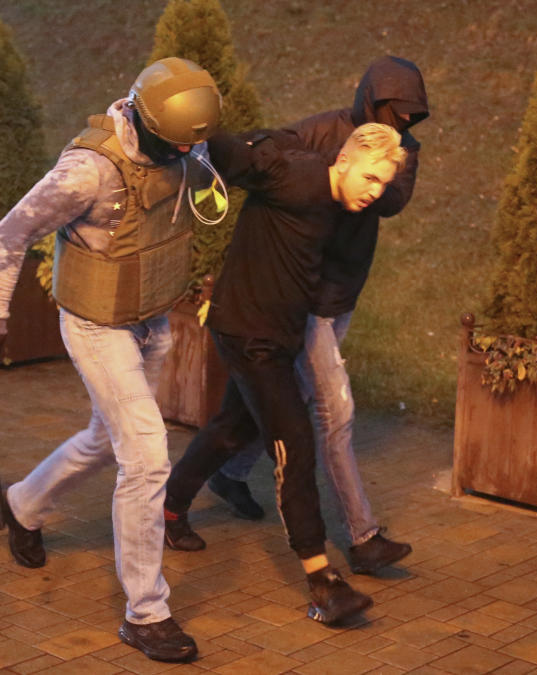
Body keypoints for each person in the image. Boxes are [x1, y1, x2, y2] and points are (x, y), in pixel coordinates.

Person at [0, 57, 224, 663]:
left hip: (152, 318)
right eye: (178, 142)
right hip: (96, 326)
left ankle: (24, 503)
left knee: (107, 441)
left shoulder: (184, 144)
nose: (187, 150)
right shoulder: (88, 172)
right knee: (148, 456)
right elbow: (8, 235)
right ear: (143, 119)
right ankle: (146, 612)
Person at [163, 123, 407, 625]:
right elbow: (239, 155)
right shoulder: (298, 178)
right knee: (293, 440)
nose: (374, 191)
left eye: (383, 183)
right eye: (370, 178)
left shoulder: (337, 200)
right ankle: (322, 580)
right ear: (343, 162)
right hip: (249, 335)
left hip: (277, 335)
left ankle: (169, 507)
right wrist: (195, 125)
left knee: (235, 428)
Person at [203, 55, 429, 574]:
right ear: (373, 98)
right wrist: (321, 173)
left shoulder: (401, 151)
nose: (405, 124)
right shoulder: (326, 129)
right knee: (335, 411)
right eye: (397, 112)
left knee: (270, 407)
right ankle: (362, 536)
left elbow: (393, 200)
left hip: (339, 288)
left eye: (413, 117)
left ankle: (224, 472)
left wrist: (368, 171)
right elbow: (273, 151)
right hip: (304, 293)